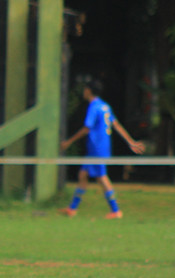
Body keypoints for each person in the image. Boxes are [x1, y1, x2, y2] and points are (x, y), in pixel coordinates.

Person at [60, 79, 144, 218]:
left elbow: (87, 128)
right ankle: (72, 209)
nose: (84, 91)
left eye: (85, 89)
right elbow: (116, 125)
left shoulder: (94, 107)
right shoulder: (105, 106)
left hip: (97, 148)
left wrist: (69, 142)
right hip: (99, 147)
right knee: (83, 175)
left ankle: (116, 210)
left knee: (101, 177)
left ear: (88, 90)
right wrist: (130, 141)